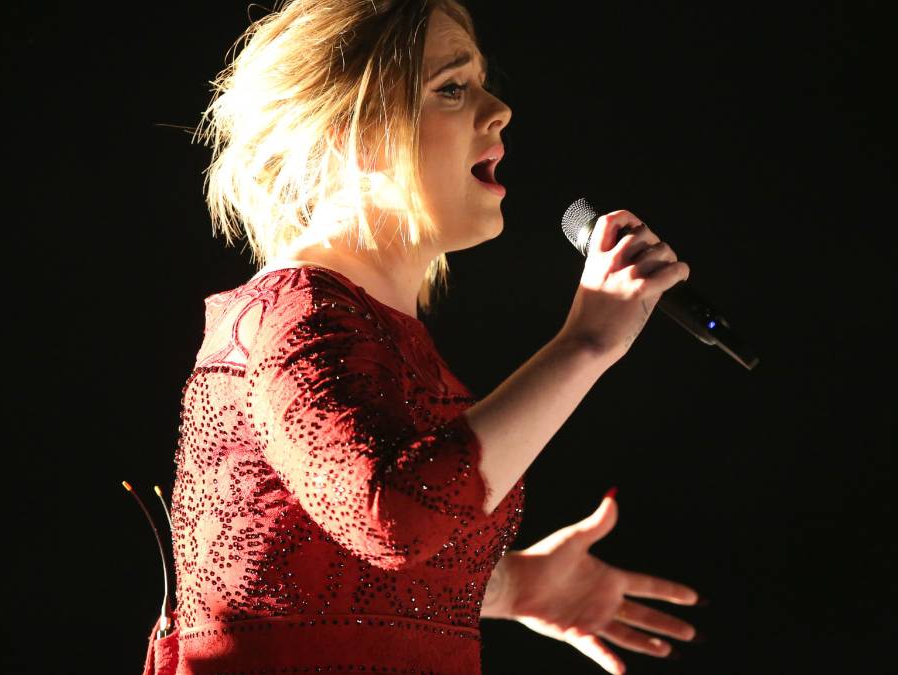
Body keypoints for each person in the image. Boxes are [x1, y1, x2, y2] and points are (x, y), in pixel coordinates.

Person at [141, 1, 702, 674]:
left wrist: (514, 585)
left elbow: (336, 568)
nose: (500, 110)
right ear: (352, 133)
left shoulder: (369, 330)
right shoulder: (291, 317)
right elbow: (393, 516)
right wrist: (586, 344)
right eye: (452, 87)